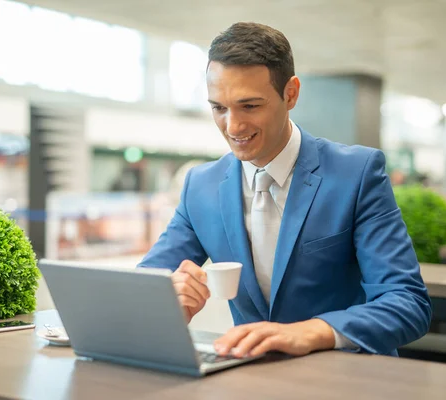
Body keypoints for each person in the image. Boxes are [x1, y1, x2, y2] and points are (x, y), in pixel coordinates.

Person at [138, 22, 431, 358]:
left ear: (290, 93)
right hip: (249, 377)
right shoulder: (200, 185)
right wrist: (165, 298)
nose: (233, 127)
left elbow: (408, 303)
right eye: (219, 108)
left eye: (249, 106)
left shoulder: (357, 174)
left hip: (346, 377)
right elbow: (148, 279)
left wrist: (311, 332)